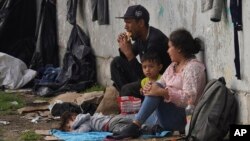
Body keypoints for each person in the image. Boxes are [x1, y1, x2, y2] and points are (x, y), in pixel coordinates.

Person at [108, 28, 207, 139]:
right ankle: (135, 126)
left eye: (170, 47)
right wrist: (149, 87)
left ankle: (135, 127)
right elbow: (160, 82)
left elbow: (189, 100)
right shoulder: (173, 66)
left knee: (155, 92)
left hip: (185, 118)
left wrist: (163, 92)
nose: (167, 51)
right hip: (164, 114)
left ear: (179, 49)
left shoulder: (193, 68)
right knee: (121, 120)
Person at [111, 5, 171, 100]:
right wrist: (124, 46)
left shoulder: (155, 41)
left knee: (127, 90)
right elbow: (127, 56)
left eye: (129, 22)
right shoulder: (140, 36)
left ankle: (134, 100)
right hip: (147, 77)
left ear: (141, 23)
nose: (125, 27)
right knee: (116, 63)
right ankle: (129, 98)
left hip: (159, 81)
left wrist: (129, 53)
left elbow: (148, 73)